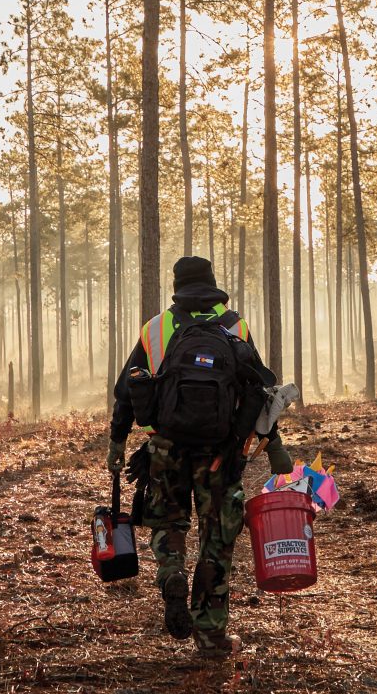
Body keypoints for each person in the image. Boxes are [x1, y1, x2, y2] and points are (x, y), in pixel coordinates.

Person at [108, 255, 293, 660]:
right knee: (217, 539)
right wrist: (274, 444)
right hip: (220, 455)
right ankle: (210, 637)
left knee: (167, 523)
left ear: (176, 285)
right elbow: (258, 390)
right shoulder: (234, 326)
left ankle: (171, 572)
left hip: (165, 448)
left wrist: (118, 441)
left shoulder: (156, 328)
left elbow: (127, 389)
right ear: (212, 284)